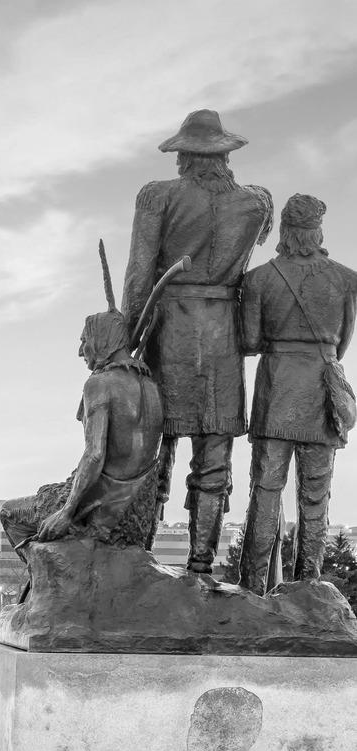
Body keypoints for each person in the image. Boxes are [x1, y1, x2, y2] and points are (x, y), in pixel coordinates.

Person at [123, 109, 273, 573]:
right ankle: (201, 564)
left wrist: (126, 341)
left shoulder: (157, 196)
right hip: (224, 331)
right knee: (214, 451)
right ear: (226, 155)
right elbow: (260, 241)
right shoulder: (257, 203)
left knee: (153, 447)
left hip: (170, 328)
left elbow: (139, 275)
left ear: (183, 155)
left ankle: (140, 556)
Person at [0, 247, 164, 561]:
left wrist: (66, 511)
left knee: (10, 514)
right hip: (138, 514)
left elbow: (95, 454)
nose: (80, 351)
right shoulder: (150, 384)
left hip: (99, 507)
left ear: (101, 340)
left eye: (83, 340)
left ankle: (48, 586)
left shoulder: (100, 384)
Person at [238, 194, 357, 593]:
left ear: (285, 232)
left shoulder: (258, 279)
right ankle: (309, 584)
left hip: (275, 392)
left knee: (265, 490)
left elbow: (250, 341)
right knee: (316, 497)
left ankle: (252, 586)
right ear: (318, 230)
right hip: (321, 392)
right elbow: (342, 344)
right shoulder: (345, 278)